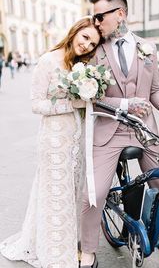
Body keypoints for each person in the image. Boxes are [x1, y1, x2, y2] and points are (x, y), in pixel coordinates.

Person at [79, 0, 159, 268]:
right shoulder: (95, 51)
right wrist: (124, 104)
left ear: (120, 14)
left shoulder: (147, 48)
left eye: (100, 16)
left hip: (145, 130)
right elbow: (92, 96)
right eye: (94, 17)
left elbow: (156, 91)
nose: (96, 23)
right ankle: (88, 249)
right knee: (96, 193)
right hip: (109, 131)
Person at [0, 17, 101, 268]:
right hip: (54, 140)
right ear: (75, 31)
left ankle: (70, 241)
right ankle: (54, 248)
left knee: (73, 192)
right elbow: (36, 104)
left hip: (77, 137)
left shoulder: (83, 66)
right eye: (85, 37)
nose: (87, 45)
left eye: (93, 43)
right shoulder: (47, 60)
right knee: (55, 193)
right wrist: (72, 104)